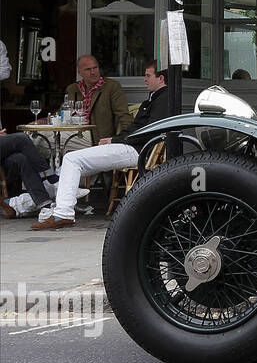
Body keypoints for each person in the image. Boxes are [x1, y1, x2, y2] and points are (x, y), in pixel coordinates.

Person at [29, 62, 174, 231]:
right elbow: (137, 129)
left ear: (161, 78)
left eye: (148, 75)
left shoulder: (163, 99)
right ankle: (24, 204)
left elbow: (150, 131)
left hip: (136, 150)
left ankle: (63, 213)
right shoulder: (153, 99)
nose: (144, 79)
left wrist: (115, 140)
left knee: (71, 159)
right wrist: (115, 138)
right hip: (130, 146)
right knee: (64, 170)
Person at [61, 54, 132, 153]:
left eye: (95, 68)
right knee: (39, 136)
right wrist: (42, 121)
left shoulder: (111, 87)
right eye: (88, 69)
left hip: (95, 137)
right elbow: (63, 112)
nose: (93, 72)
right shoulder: (73, 89)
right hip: (73, 132)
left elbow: (123, 115)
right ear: (80, 72)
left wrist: (128, 138)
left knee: (46, 141)